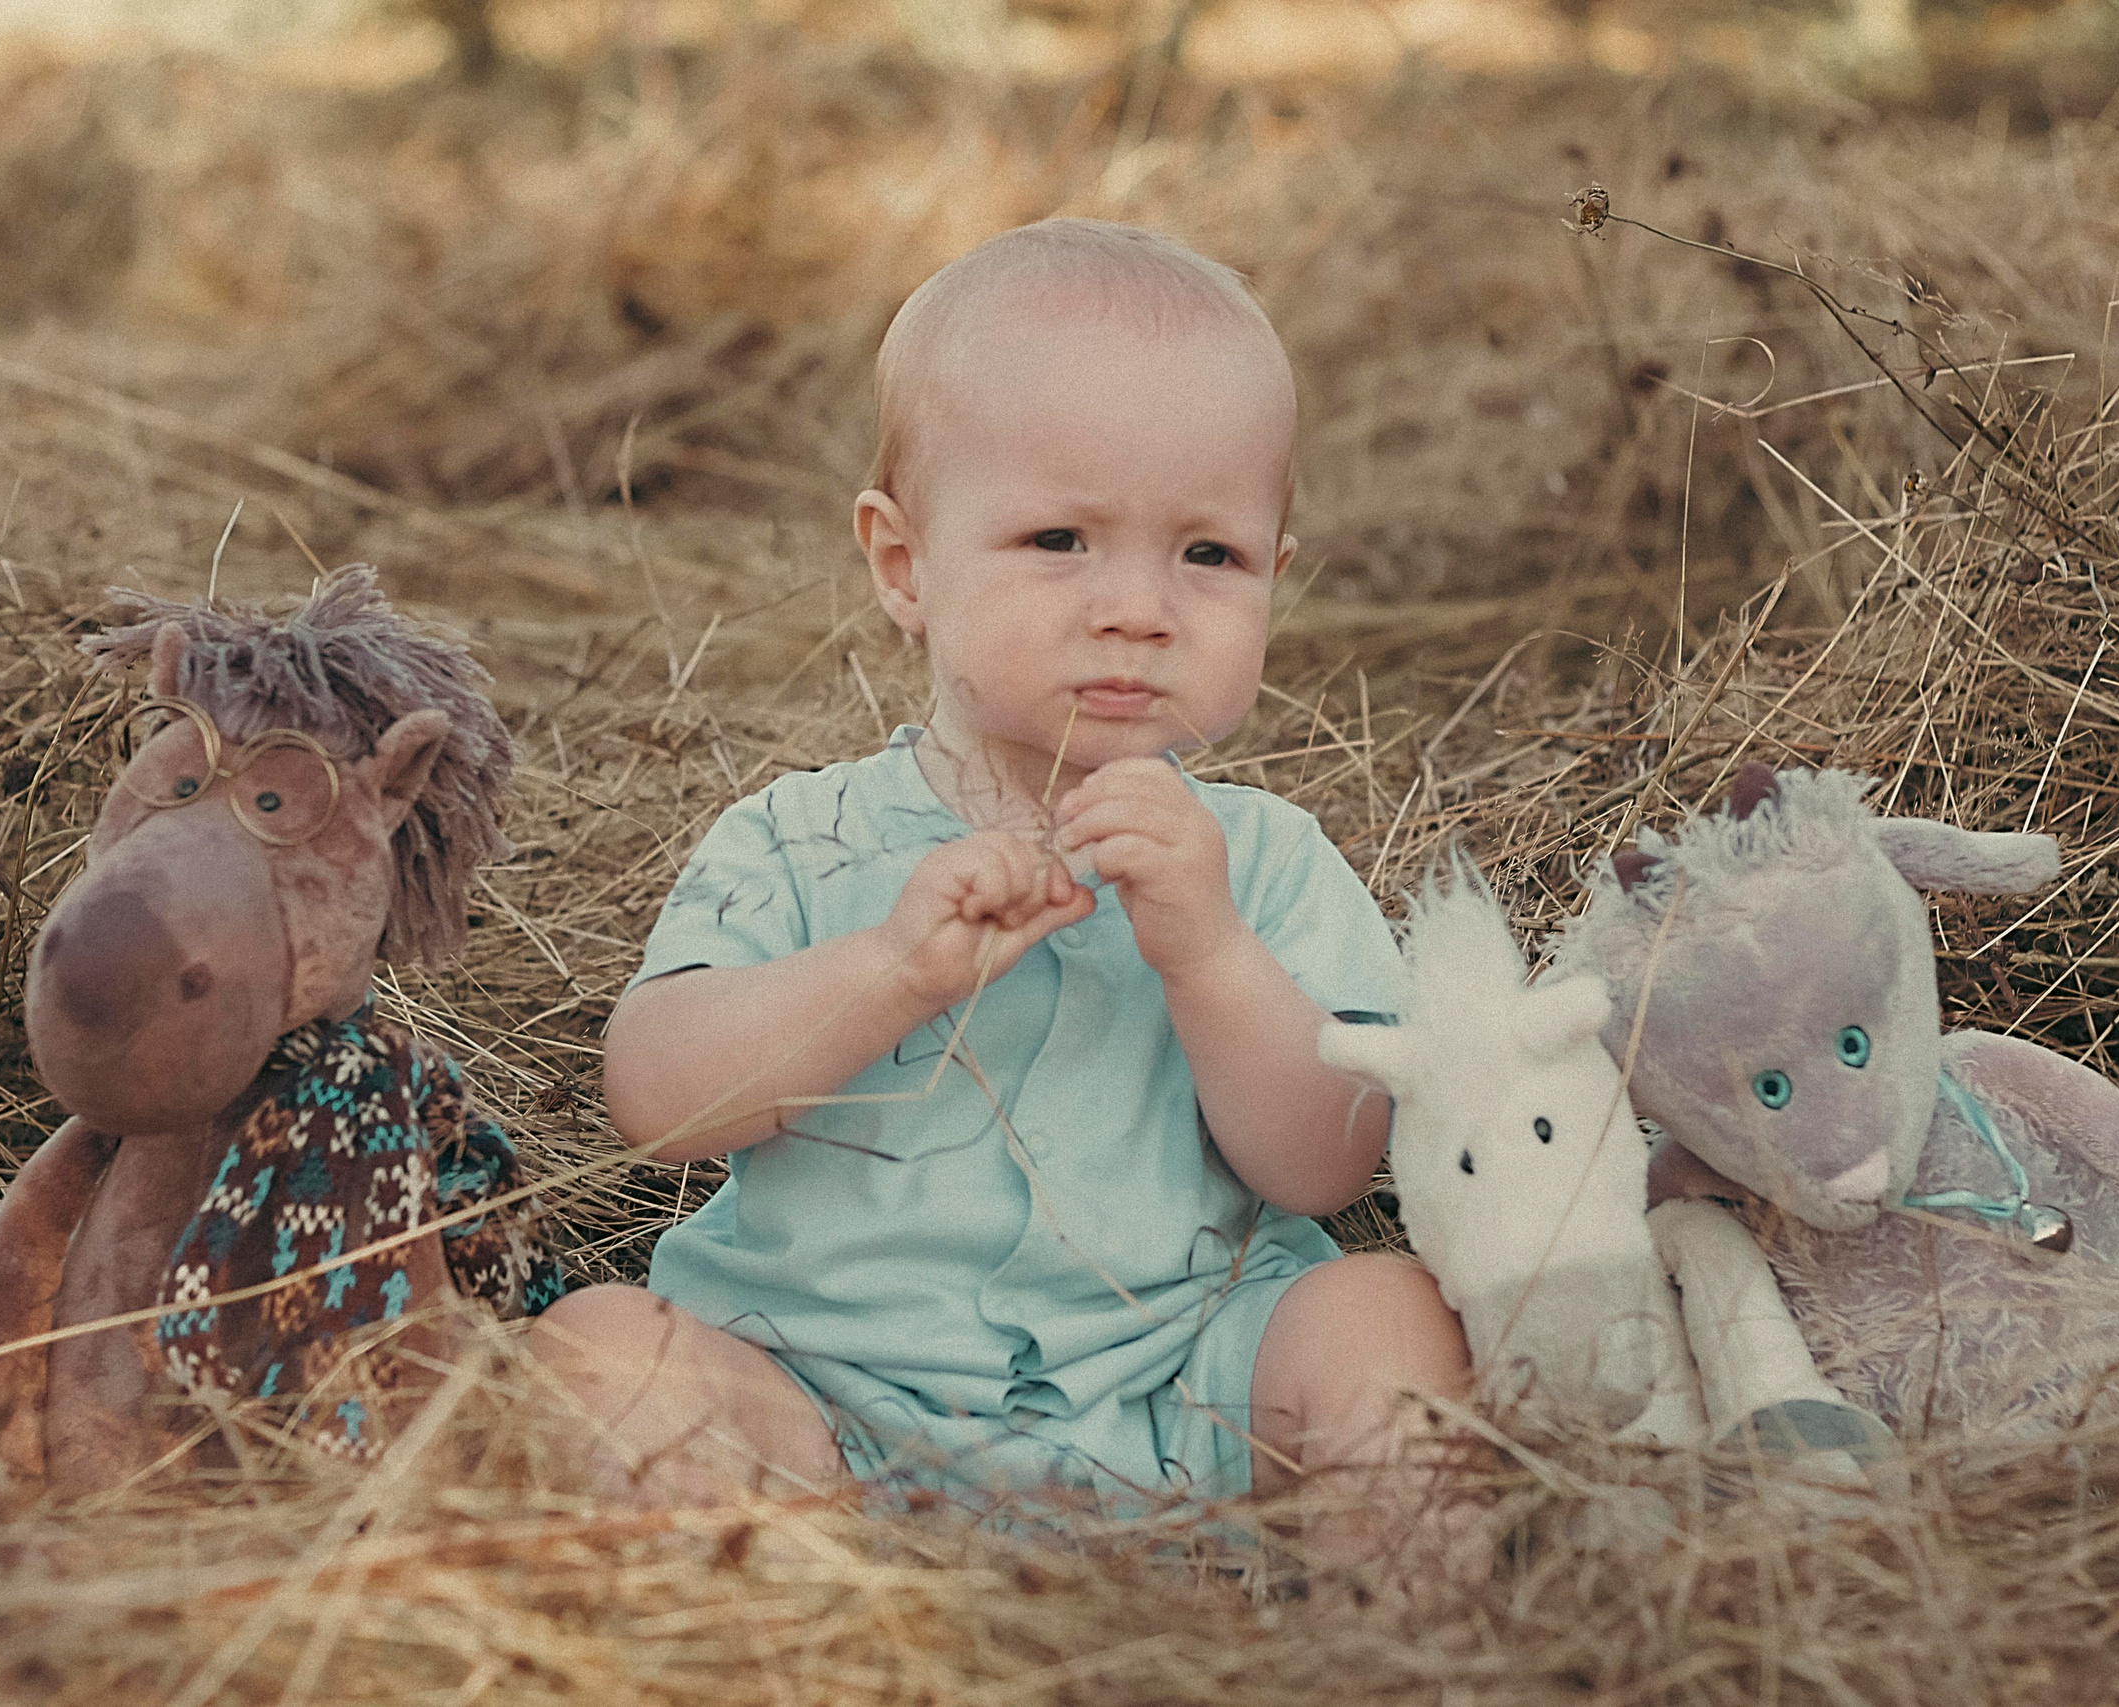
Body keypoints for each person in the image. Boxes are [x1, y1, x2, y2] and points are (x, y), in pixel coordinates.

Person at [538, 219, 1470, 1545]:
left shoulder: (1262, 862)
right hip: (828, 1409)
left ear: (1278, 573)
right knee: (600, 1349)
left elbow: (1331, 1164)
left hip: (1185, 1402)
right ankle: (784, 1621)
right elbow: (659, 1096)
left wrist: (1206, 953)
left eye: (1209, 554)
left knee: (1386, 1318)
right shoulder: (796, 842)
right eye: (1058, 539)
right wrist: (890, 971)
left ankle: (1412, 1643)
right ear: (904, 565)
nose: (1140, 607)